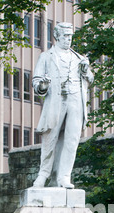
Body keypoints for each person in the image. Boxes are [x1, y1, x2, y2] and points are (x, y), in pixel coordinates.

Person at [32, 22, 94, 189]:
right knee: (50, 139)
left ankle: (64, 177)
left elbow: (90, 78)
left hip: (75, 101)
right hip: (56, 101)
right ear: (57, 36)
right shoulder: (46, 56)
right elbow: (36, 83)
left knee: (71, 141)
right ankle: (42, 175)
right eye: (66, 36)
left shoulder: (78, 58)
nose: (68, 40)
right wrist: (43, 85)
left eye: (70, 36)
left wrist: (85, 70)